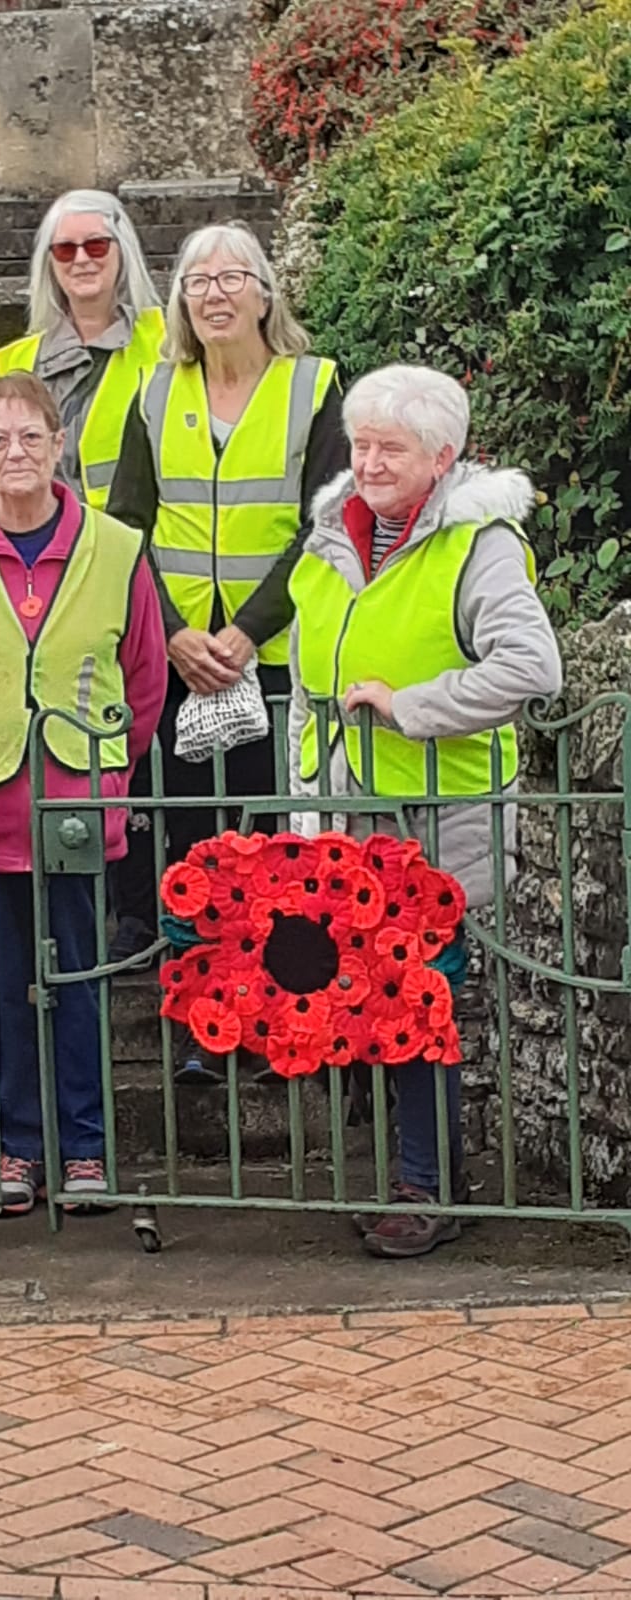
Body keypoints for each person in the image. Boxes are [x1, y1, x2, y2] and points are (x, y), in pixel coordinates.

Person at [288, 363, 562, 1257]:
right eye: (360, 445)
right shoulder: (330, 537)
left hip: (438, 819)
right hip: (347, 815)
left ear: (442, 457)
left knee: (417, 997)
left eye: (389, 448)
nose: (367, 462)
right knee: (369, 999)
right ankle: (416, 1174)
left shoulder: (478, 542)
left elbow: (530, 668)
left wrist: (410, 705)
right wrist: (304, 807)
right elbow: (305, 686)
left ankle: (427, 1185)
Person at [0, 374, 167, 1215]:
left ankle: (84, 1151)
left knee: (81, 981)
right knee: (1, 983)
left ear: (60, 447)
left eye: (31, 438)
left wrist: (112, 772)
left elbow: (147, 679)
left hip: (78, 806)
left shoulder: (118, 548)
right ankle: (14, 1151)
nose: (15, 454)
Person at [107, 221, 347, 963]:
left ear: (265, 295)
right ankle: (194, 997)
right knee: (187, 838)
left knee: (265, 835)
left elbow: (327, 520)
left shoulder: (314, 384)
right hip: (177, 658)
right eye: (198, 282)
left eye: (232, 278)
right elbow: (125, 528)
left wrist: (246, 629)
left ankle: (265, 998)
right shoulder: (153, 390)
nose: (215, 295)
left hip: (272, 658)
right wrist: (174, 631)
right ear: (180, 302)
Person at [0, 189, 163, 511]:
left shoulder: (166, 348)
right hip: (42, 548)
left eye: (96, 246)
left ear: (122, 252)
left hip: (134, 548)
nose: (82, 260)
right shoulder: (16, 363)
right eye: (65, 250)